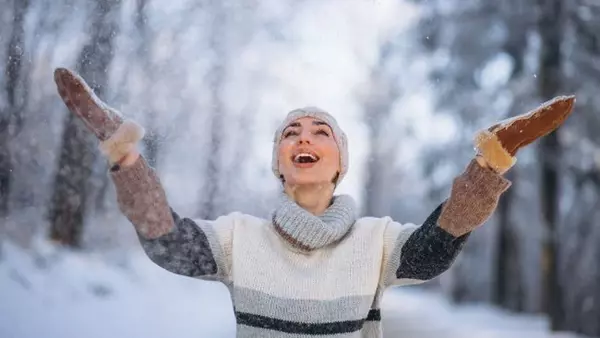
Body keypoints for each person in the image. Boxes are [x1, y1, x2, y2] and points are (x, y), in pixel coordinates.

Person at [53, 67, 574, 338]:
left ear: (339, 163)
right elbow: (166, 242)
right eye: (291, 133)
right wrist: (124, 156)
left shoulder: (376, 241)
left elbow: (435, 248)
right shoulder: (238, 238)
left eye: (321, 131)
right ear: (280, 162)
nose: (305, 138)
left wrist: (486, 165)